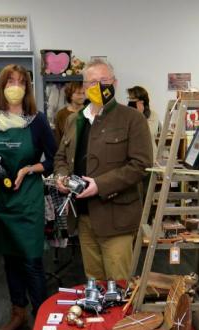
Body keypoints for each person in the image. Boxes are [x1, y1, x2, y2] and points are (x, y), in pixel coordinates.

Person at [0, 64, 56, 330]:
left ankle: (43, 318)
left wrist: (29, 169)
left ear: (27, 88)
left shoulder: (37, 120)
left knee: (31, 260)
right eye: (10, 81)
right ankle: (17, 313)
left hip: (27, 199)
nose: (15, 87)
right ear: (1, 86)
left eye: (21, 82)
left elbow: (53, 160)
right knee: (10, 259)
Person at [54, 59, 152, 281]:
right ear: (84, 86)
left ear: (114, 83)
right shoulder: (74, 120)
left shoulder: (132, 119)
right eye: (92, 82)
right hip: (83, 217)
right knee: (94, 283)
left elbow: (141, 165)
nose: (98, 86)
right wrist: (62, 177)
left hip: (116, 219)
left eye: (104, 80)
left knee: (119, 284)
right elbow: (61, 157)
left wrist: (100, 185)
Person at [127, 85, 161, 150]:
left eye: (133, 99)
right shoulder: (127, 115)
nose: (130, 102)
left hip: (149, 153)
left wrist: (139, 114)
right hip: (133, 153)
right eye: (129, 98)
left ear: (142, 102)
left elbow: (148, 133)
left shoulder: (153, 115)